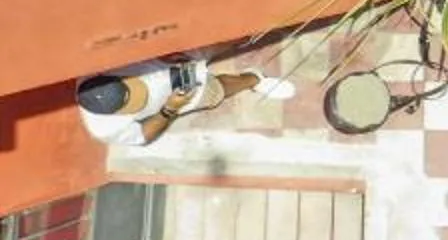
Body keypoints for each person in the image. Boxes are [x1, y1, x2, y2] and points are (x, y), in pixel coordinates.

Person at [75, 54, 292, 146]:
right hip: (176, 97)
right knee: (215, 91)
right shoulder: (103, 129)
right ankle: (254, 80)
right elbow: (143, 135)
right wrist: (169, 110)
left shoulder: (99, 64)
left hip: (174, 60)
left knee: (221, 47)